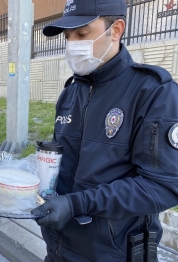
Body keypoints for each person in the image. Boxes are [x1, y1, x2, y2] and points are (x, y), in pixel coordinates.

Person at [30, 0, 178, 261]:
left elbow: (163, 186)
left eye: (82, 34)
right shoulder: (70, 92)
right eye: (68, 37)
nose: (72, 44)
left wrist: (77, 204)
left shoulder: (153, 91)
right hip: (58, 249)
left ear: (116, 29)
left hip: (113, 253)